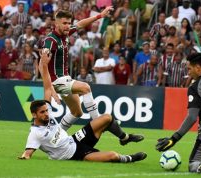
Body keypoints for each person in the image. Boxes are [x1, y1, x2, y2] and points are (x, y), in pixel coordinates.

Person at [18, 51, 146, 162]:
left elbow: (47, 86)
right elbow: (28, 153)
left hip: (74, 140)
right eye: (42, 112)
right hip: (73, 154)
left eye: (46, 110)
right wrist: (24, 157)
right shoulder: (35, 133)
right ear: (34, 115)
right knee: (112, 156)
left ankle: (124, 138)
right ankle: (130, 159)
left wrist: (44, 64)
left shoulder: (47, 114)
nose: (47, 113)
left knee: (106, 117)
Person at [40, 7, 113, 131]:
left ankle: (58, 135)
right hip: (56, 80)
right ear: (56, 24)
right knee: (85, 88)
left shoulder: (66, 33)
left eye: (69, 23)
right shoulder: (50, 41)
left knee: (77, 112)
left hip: (65, 78)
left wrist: (99, 15)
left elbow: (80, 24)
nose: (68, 26)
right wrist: (49, 87)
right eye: (64, 23)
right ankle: (98, 123)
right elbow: (41, 65)